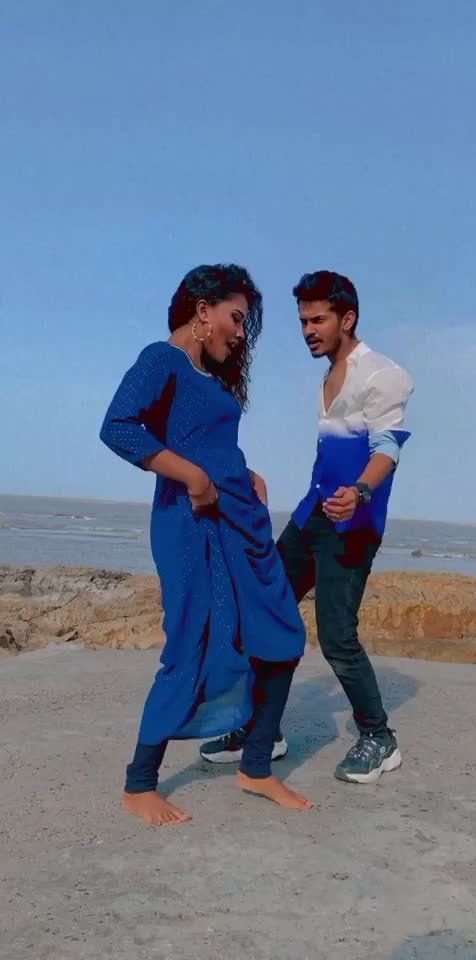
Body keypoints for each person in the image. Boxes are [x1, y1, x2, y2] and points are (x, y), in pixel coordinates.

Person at [100, 263, 313, 825]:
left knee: (281, 633)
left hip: (240, 519)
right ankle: (140, 783)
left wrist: (247, 473)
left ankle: (256, 765)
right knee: (192, 639)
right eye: (236, 318)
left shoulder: (210, 379)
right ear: (202, 310)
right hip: (191, 522)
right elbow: (118, 427)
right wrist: (193, 477)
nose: (241, 333)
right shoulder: (162, 359)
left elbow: (210, 443)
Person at [201, 270, 414, 784]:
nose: (308, 331)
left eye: (318, 320)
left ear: (348, 318)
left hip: (354, 522)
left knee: (337, 636)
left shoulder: (384, 375)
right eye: (303, 321)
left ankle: (379, 737)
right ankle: (262, 728)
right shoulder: (329, 374)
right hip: (312, 515)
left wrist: (359, 492)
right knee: (266, 610)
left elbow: (387, 449)